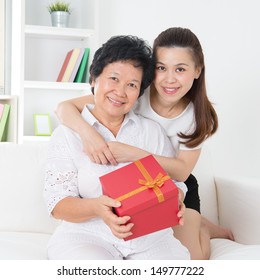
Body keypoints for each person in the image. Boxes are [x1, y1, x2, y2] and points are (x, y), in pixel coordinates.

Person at [55, 27, 234, 259]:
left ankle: (203, 226)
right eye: (161, 68)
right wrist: (90, 136)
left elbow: (181, 172)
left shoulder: (197, 117)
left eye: (180, 69)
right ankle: (201, 222)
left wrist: (131, 153)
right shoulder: (134, 92)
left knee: (194, 259)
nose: (169, 79)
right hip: (140, 182)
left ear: (197, 70)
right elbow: (64, 107)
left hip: (175, 181)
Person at [44, 35, 190, 260]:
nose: (120, 92)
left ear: (139, 93)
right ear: (93, 79)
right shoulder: (67, 134)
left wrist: (177, 197)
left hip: (151, 238)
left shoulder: (152, 132)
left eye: (132, 85)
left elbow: (174, 183)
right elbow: (57, 204)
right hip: (87, 236)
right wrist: (96, 208)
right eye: (113, 78)